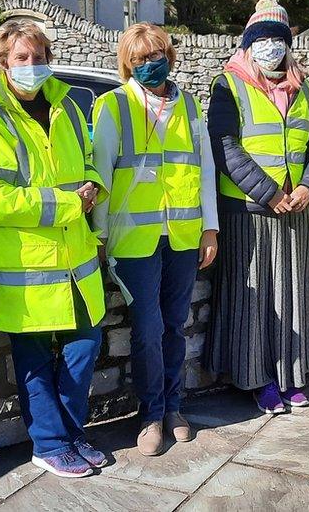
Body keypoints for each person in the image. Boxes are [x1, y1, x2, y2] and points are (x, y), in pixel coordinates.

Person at [0, 19, 108, 478]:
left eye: (39, 57)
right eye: (22, 58)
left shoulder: (66, 107)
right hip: (25, 266)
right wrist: (70, 203)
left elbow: (87, 162)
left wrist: (94, 186)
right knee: (33, 361)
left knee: (85, 347)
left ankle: (68, 433)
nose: (32, 65)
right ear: (3, 63)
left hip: (74, 262)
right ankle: (49, 443)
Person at [92, 23, 219, 456]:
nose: (151, 64)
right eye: (141, 58)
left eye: (158, 54)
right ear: (128, 61)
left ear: (171, 55)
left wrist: (210, 227)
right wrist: (100, 234)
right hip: (134, 238)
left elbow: (204, 170)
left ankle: (173, 409)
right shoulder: (112, 105)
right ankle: (150, 414)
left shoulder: (190, 104)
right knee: (147, 329)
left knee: (174, 326)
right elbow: (103, 173)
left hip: (182, 234)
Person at [204, 0, 309, 415]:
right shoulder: (229, 84)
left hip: (295, 207)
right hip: (249, 210)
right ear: (248, 44)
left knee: (292, 294)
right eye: (262, 40)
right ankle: (258, 381)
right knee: (253, 299)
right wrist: (267, 193)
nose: (271, 48)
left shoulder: (302, 86)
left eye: (278, 40)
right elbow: (225, 147)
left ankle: (290, 377)